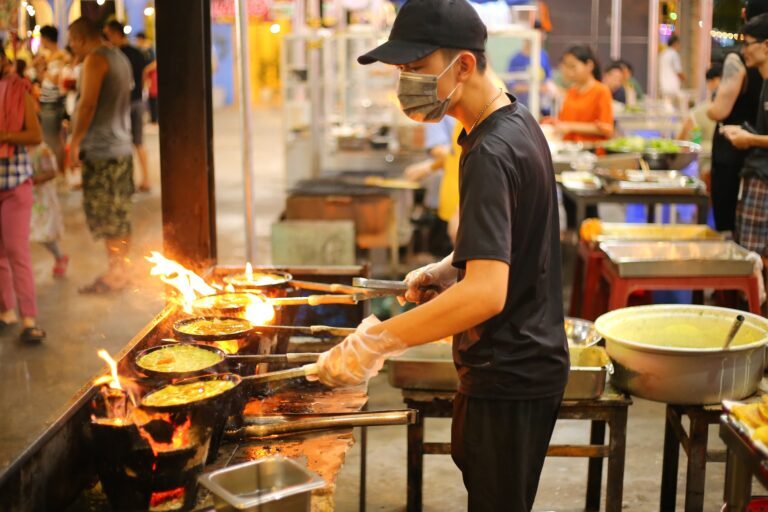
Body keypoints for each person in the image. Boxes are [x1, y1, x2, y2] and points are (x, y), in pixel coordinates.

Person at [315, 1, 569, 510]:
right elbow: (512, 246)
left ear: (465, 65)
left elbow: (487, 294)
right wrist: (453, 266)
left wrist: (376, 342)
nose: (404, 81)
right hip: (523, 364)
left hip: (510, 370)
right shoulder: (513, 123)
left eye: (415, 68)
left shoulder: (491, 153)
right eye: (401, 70)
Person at [68, 17, 134, 294]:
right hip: (120, 147)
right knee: (119, 214)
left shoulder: (96, 59)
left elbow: (88, 104)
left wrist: (74, 141)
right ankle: (120, 269)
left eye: (72, 42)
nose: (71, 48)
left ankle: (116, 273)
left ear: (81, 39)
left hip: (103, 152)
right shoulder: (118, 56)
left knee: (109, 216)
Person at [707, 0, 768, 232]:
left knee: (732, 229)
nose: (744, 49)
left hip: (737, 155)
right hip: (756, 159)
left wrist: (710, 103)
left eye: (747, 43)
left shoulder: (738, 60)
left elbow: (719, 110)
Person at [0, 46, 46, 342]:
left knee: (17, 252)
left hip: (15, 185)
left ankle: (29, 320)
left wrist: (4, 136)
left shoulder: (19, 92)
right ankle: (7, 312)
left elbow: (35, 135)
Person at [721, 13, 768, 259]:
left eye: (748, 44)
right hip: (756, 174)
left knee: (756, 257)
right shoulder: (763, 82)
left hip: (763, 177)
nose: (743, 51)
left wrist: (749, 139)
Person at [103, 20, 151, 193]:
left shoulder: (115, 55)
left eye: (108, 35)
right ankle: (146, 179)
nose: (106, 39)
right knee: (138, 143)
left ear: (116, 34)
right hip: (138, 101)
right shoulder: (137, 52)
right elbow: (146, 71)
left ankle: (128, 181)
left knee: (123, 143)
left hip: (123, 104)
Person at [553, 45, 614, 142]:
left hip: (591, 152)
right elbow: (564, 120)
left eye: (573, 66)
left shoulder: (601, 91)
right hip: (569, 148)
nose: (569, 72)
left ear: (589, 65)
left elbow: (606, 128)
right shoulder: (571, 91)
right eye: (567, 67)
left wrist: (570, 126)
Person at [30, 143, 68, 277]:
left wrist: (30, 180)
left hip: (41, 199)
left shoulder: (43, 150)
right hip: (25, 197)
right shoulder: (17, 147)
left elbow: (52, 172)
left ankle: (60, 257)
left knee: (44, 234)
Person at [678, 63, 721, 176]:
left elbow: (690, 142)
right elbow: (691, 141)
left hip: (705, 166)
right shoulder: (698, 113)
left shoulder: (697, 113)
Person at [37, 26, 69, 175]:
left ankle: (60, 172)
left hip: (53, 102)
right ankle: (59, 172)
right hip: (46, 100)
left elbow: (57, 80)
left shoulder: (61, 56)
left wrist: (44, 69)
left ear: (46, 38)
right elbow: (42, 79)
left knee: (53, 140)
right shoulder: (48, 56)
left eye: (41, 37)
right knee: (52, 139)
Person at [659, 34, 685, 101]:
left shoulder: (663, 54)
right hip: (672, 87)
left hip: (664, 85)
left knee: (666, 105)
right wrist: (683, 78)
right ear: (675, 43)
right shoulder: (674, 54)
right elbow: (678, 71)